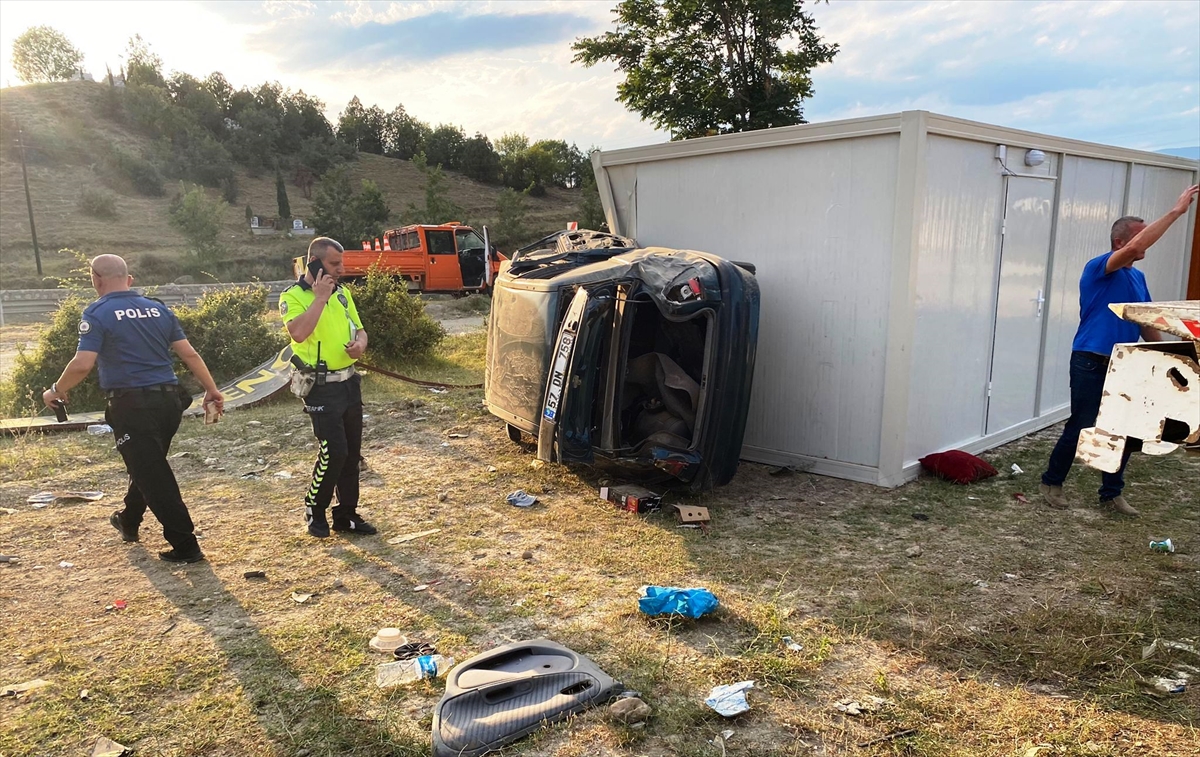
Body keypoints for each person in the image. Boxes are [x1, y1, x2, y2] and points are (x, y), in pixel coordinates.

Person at [42, 254, 224, 563]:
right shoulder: (158, 308)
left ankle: (186, 545)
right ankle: (129, 519)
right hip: (169, 401)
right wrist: (211, 389)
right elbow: (189, 354)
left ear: (96, 279)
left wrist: (56, 390)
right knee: (147, 464)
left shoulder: (97, 312)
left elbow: (83, 363)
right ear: (129, 279)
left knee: (153, 472)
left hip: (132, 404)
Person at [1040, 183, 1199, 516]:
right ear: (1120, 242)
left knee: (1123, 427)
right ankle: (1052, 483)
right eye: (1140, 238)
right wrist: (1176, 211)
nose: (1146, 244)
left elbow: (1145, 322)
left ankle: (1111, 494)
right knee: (1083, 424)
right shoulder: (1099, 268)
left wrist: (1173, 356)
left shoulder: (1138, 278)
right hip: (1090, 361)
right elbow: (1139, 244)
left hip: (1125, 363)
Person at [280, 237, 376, 538]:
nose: (341, 269)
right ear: (315, 262)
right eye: (335, 264)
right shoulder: (292, 296)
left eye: (341, 263)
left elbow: (360, 328)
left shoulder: (343, 293)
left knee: (351, 454)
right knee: (333, 451)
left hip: (349, 381)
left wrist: (360, 344)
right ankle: (315, 508)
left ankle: (346, 515)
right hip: (321, 387)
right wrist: (320, 297)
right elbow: (298, 333)